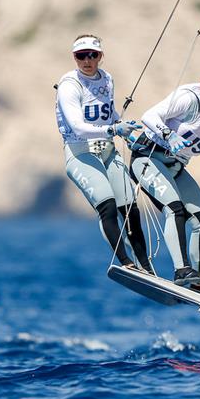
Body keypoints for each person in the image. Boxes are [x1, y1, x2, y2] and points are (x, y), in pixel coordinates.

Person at [129, 62, 200, 290]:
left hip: (176, 167)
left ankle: (198, 282)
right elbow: (149, 116)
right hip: (148, 158)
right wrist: (167, 134)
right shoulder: (189, 99)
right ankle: (182, 271)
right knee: (175, 209)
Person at [55, 34, 152, 272]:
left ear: (100, 56)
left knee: (130, 207)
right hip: (81, 154)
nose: (87, 60)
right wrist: (113, 128)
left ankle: (146, 266)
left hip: (107, 151)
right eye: (81, 56)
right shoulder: (69, 85)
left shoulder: (107, 79)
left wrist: (124, 128)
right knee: (107, 205)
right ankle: (126, 262)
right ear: (74, 58)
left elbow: (109, 115)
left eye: (92, 55)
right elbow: (78, 126)